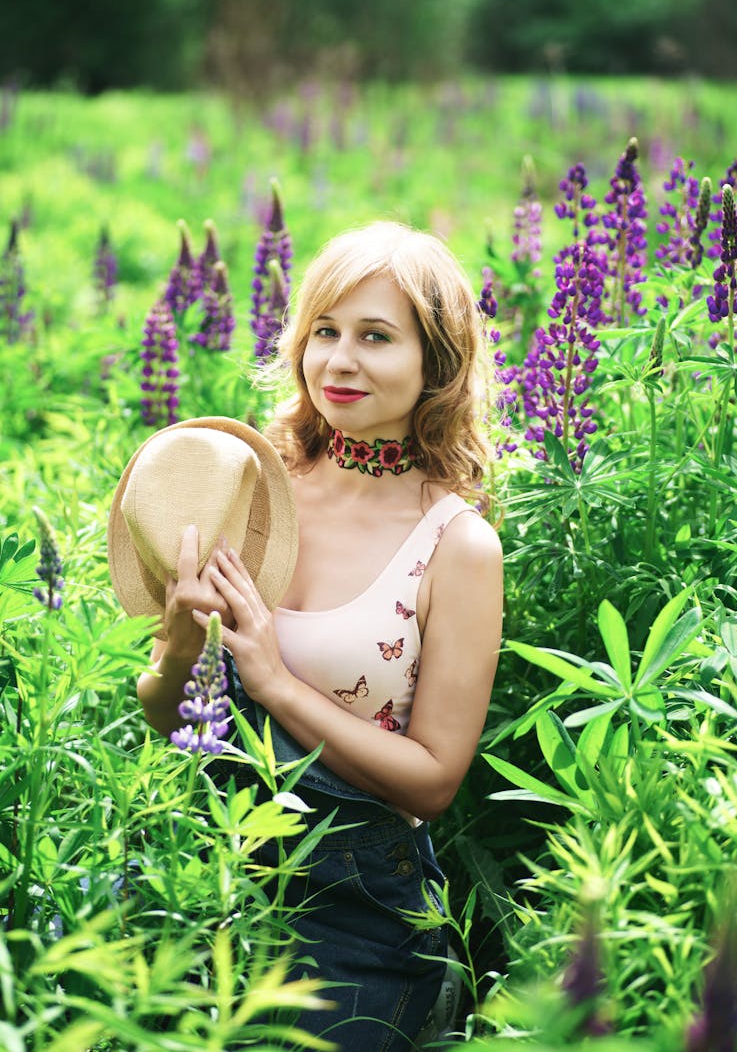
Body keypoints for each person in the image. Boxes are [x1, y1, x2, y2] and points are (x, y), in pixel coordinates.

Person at [133, 221, 504, 1050]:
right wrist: (181, 646)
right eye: (325, 332)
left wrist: (276, 685)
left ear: (434, 363)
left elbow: (433, 780)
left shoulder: (456, 543)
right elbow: (164, 713)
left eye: (376, 336)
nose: (340, 360)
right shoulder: (250, 480)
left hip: (357, 906)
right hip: (203, 865)